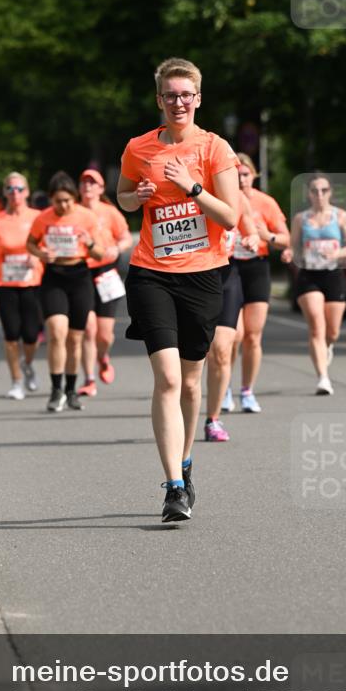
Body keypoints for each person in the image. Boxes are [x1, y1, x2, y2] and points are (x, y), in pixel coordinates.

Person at [117, 57, 238, 523]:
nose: (178, 102)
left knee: (190, 381)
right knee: (167, 378)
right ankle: (172, 488)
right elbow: (123, 196)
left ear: (198, 98)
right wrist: (137, 199)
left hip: (205, 274)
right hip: (151, 272)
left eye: (186, 94)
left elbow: (230, 216)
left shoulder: (214, 149)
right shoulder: (139, 147)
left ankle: (186, 465)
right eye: (170, 95)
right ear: (159, 100)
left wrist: (191, 189)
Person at [27, 172, 104, 412]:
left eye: (68, 200)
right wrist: (41, 254)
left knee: (75, 338)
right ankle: (56, 389)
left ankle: (71, 390)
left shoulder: (87, 217)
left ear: (75, 198)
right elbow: (30, 243)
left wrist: (89, 242)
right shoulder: (43, 219)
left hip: (80, 275)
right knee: (57, 332)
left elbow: (100, 254)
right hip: (54, 276)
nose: (63, 205)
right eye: (58, 201)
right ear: (51, 199)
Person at [281, 171, 346, 395]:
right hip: (309, 276)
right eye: (315, 190)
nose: (319, 194)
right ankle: (323, 378)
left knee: (332, 331)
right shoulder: (301, 219)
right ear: (309, 194)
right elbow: (293, 246)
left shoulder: (340, 216)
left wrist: (337, 252)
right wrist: (289, 253)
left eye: (324, 190)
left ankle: (328, 346)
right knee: (316, 326)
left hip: (333, 274)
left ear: (330, 192)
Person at [225, 154, 289, 413]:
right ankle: (225, 388)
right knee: (233, 335)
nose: (241, 179)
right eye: (236, 174)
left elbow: (286, 239)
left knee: (252, 336)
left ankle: (247, 390)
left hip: (256, 268)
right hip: (229, 267)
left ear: (254, 176)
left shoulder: (266, 203)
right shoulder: (224, 198)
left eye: (245, 174)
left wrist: (267, 235)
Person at [203, 189, 259, 441]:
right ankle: (180, 409)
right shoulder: (189, 187)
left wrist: (253, 239)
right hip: (191, 276)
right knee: (192, 356)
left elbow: (249, 228)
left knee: (222, 350)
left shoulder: (237, 197)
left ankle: (212, 419)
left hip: (226, 275)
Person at [0, 173, 43, 400]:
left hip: (32, 282)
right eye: (9, 189)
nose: (14, 193)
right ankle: (16, 381)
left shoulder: (38, 217)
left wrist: (36, 257)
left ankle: (27, 363)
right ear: (4, 193)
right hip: (4, 283)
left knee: (30, 335)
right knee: (11, 334)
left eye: (18, 189)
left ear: (26, 191)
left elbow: (46, 244)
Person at [77, 169, 133, 396]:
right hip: (81, 272)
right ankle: (89, 379)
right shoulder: (74, 211)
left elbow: (126, 238)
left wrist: (116, 248)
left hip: (107, 272)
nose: (88, 186)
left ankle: (102, 356)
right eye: (84, 183)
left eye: (93, 183)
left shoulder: (110, 212)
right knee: (88, 330)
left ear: (101, 189)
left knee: (104, 334)